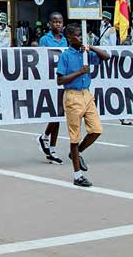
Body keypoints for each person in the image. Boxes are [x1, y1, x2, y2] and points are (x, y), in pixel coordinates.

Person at [57, 24, 110, 187]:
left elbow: (106, 57)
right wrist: (80, 72)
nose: (81, 38)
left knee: (96, 130)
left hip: (87, 94)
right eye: (78, 36)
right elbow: (60, 80)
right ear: (69, 38)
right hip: (72, 95)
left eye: (82, 36)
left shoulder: (85, 53)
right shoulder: (65, 56)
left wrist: (90, 47)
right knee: (74, 136)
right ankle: (77, 175)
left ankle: (77, 152)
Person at [37, 12, 66, 164]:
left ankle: (51, 146)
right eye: (54, 22)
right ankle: (46, 138)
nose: (57, 24)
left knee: (59, 115)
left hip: (62, 81)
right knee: (55, 114)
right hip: (49, 81)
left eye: (60, 22)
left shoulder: (65, 40)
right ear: (49, 24)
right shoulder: (45, 39)